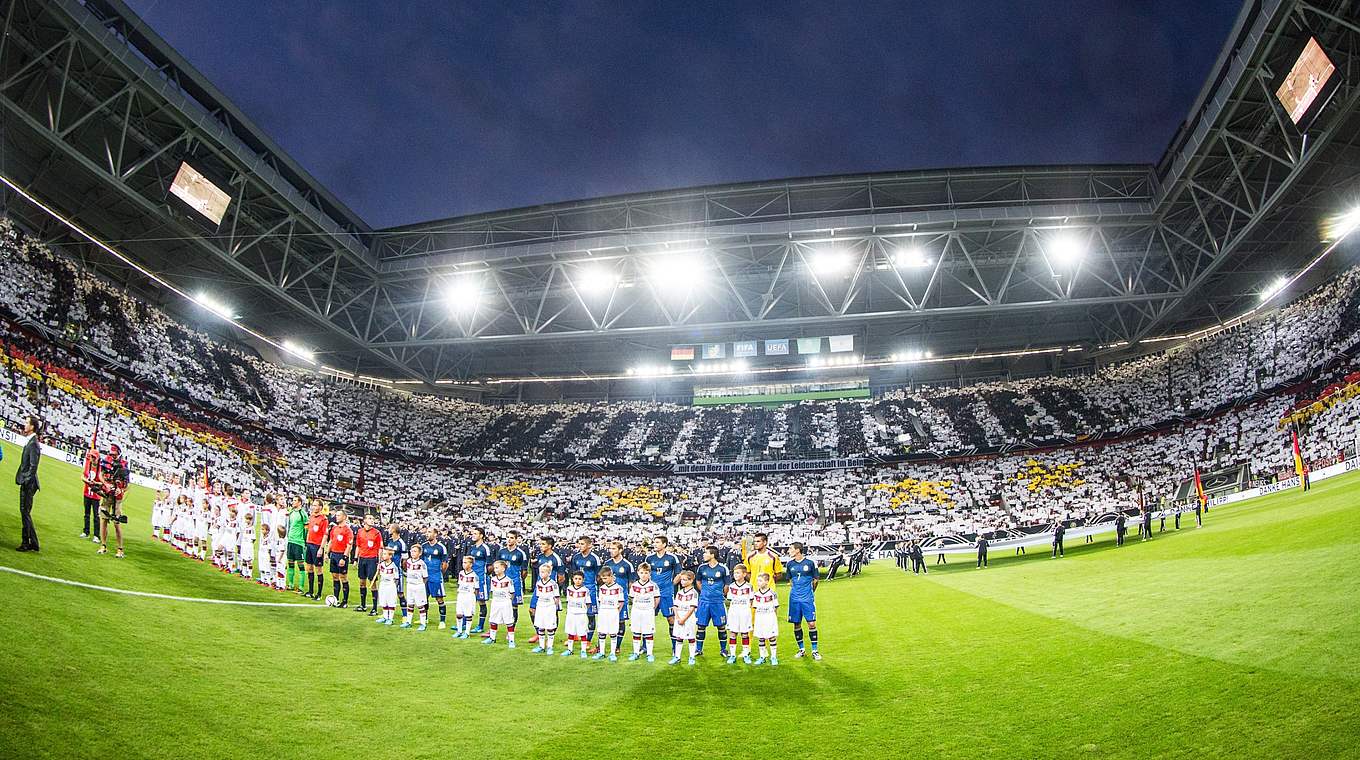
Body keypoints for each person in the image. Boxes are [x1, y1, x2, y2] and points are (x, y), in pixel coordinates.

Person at [645, 535, 683, 648]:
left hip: (666, 593)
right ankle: (644, 646)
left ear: (664, 544)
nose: (654, 544)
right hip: (652, 593)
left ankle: (675, 646)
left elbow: (679, 574)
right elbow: (644, 573)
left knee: (671, 619)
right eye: (654, 542)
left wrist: (671, 584)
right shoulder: (649, 558)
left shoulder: (672, 558)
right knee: (648, 618)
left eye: (657, 542)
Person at [786, 542, 822, 660]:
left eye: (791, 548)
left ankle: (815, 651)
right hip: (794, 599)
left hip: (807, 598)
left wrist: (810, 592)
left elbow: (816, 580)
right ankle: (801, 649)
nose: (788, 550)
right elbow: (790, 581)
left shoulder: (810, 563)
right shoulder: (789, 564)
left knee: (811, 623)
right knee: (796, 624)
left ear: (798, 550)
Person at [694, 545, 730, 657]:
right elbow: (698, 582)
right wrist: (705, 592)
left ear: (712, 555)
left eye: (706, 553)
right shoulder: (701, 568)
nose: (703, 555)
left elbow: (727, 585)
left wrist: (719, 594)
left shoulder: (723, 569)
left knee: (721, 626)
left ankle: (723, 650)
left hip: (718, 602)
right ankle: (698, 649)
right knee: (701, 626)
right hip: (704, 601)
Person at [95, 442, 129, 558]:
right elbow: (101, 475)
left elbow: (127, 484)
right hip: (106, 494)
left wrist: (121, 490)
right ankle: (103, 545)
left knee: (116, 523)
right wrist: (106, 484)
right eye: (111, 454)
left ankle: (120, 549)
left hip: (117, 498)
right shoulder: (106, 461)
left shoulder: (124, 464)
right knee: (103, 520)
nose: (112, 456)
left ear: (119, 453)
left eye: (114, 454)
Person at [567, 536, 602, 649]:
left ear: (589, 545)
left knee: (590, 614)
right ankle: (574, 635)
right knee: (574, 613)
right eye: (579, 543)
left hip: (590, 589)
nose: (580, 546)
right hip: (576, 590)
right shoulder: (576, 557)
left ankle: (588, 639)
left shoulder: (594, 559)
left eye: (582, 544)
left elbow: (599, 576)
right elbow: (574, 572)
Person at [14, 416, 42, 552]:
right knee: (25, 512)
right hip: (27, 481)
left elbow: (33, 466)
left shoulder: (33, 444)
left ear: (32, 426)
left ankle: (26, 542)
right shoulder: (31, 441)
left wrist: (25, 480)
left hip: (29, 483)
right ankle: (33, 543)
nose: (24, 425)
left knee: (25, 512)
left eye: (27, 423)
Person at [628, 562, 660, 662]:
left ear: (650, 573)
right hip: (636, 611)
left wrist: (652, 608)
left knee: (648, 632)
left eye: (646, 573)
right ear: (638, 573)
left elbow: (657, 597)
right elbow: (632, 598)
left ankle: (650, 654)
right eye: (641, 572)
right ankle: (636, 653)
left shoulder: (653, 585)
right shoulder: (634, 585)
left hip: (648, 611)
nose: (644, 575)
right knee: (636, 632)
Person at [482, 560, 517, 648]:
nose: (495, 570)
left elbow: (512, 593)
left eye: (497, 568)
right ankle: (492, 638)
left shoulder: (508, 580)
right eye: (494, 568)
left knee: (509, 621)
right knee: (493, 619)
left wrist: (508, 601)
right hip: (495, 602)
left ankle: (511, 640)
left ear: (503, 568)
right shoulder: (493, 579)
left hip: (505, 603)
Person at [725, 564, 755, 664]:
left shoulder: (749, 586)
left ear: (744, 574)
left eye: (738, 573)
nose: (735, 575)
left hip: (745, 613)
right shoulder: (732, 586)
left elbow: (751, 600)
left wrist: (746, 609)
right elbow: (729, 600)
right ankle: (732, 655)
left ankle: (746, 654)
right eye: (734, 573)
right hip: (734, 612)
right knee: (733, 633)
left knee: (745, 633)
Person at [353, 514, 383, 614]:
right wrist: (355, 559)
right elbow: (358, 546)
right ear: (364, 520)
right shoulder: (360, 532)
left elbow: (380, 548)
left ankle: (374, 608)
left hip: (372, 560)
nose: (372, 520)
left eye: (372, 518)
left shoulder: (377, 533)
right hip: (362, 559)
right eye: (370, 518)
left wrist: (379, 562)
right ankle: (363, 605)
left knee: (372, 582)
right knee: (362, 582)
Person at [420, 529, 450, 629]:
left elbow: (445, 563)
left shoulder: (441, 547)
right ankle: (425, 618)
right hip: (425, 576)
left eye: (429, 532)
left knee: (439, 598)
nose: (427, 534)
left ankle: (442, 621)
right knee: (424, 598)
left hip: (436, 576)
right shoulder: (423, 546)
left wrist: (439, 573)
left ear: (435, 534)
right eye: (426, 532)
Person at [466, 527, 494, 634]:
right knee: (469, 599)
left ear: (481, 535)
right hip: (471, 579)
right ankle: (464, 623)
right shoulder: (472, 548)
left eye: (475, 533)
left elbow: (490, 565)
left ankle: (480, 626)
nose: (473, 535)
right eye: (472, 533)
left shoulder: (485, 548)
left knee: (481, 601)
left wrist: (484, 575)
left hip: (481, 579)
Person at [594, 566, 625, 661]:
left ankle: (612, 653)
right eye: (602, 578)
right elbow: (600, 600)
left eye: (605, 578)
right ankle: (601, 652)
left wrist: (616, 612)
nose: (604, 580)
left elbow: (621, 602)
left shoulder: (618, 588)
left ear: (611, 576)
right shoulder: (602, 588)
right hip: (603, 611)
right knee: (602, 632)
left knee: (613, 632)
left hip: (613, 612)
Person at [324, 510, 354, 607]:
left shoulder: (348, 530)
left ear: (344, 517)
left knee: (343, 578)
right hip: (334, 555)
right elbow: (331, 541)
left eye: (339, 515)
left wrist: (344, 558)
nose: (336, 517)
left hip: (342, 555)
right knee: (335, 577)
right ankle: (335, 599)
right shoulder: (334, 528)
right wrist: (326, 553)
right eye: (336, 515)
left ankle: (344, 601)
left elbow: (349, 546)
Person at [670, 570, 699, 665]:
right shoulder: (679, 593)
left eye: (684, 580)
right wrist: (677, 617)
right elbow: (675, 606)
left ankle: (692, 657)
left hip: (689, 618)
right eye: (681, 580)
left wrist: (684, 619)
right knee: (679, 637)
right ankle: (677, 657)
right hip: (679, 618)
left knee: (691, 637)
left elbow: (692, 608)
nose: (682, 582)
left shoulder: (694, 593)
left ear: (691, 581)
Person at [531, 563, 561, 655]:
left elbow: (556, 597)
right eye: (541, 572)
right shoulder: (539, 583)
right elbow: (537, 595)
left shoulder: (553, 584)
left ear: (549, 573)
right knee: (541, 626)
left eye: (544, 572)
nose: (541, 574)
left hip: (549, 607)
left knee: (550, 627)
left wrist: (555, 608)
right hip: (540, 606)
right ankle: (541, 646)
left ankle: (550, 647)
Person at [752, 572, 780, 666]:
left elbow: (776, 607)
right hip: (760, 619)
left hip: (769, 618)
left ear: (767, 581)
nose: (758, 583)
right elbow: (755, 607)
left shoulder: (772, 594)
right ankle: (762, 656)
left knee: (771, 637)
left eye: (760, 581)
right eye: (757, 581)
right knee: (761, 638)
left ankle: (773, 656)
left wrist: (774, 619)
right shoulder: (756, 594)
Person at [561, 571, 591, 658]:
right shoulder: (569, 588)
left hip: (581, 614)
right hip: (571, 614)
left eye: (580, 579)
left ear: (583, 580)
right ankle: (570, 650)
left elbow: (588, 603)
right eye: (576, 579)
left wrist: (583, 610)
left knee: (582, 633)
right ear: (573, 579)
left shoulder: (585, 590)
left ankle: (583, 650)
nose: (578, 581)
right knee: (571, 632)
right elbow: (568, 601)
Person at [303, 502, 329, 599]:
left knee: (318, 569)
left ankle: (319, 594)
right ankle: (310, 591)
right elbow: (309, 530)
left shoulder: (324, 519)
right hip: (309, 544)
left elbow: (325, 535)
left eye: (315, 505)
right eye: (313, 505)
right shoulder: (311, 517)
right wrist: (306, 542)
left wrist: (321, 548)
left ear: (320, 507)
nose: (313, 507)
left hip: (317, 546)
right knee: (309, 568)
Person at [401, 545, 429, 631]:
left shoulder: (422, 563)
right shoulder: (408, 561)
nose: (412, 553)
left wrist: (420, 584)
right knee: (410, 604)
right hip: (410, 585)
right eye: (411, 551)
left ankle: (423, 624)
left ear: (420, 553)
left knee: (420, 605)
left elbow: (425, 577)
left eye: (415, 551)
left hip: (418, 586)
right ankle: (408, 622)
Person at [285, 497, 308, 594]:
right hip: (290, 541)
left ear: (299, 503)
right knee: (290, 563)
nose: (293, 502)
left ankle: (301, 587)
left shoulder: (303, 514)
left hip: (299, 542)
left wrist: (304, 541)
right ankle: (290, 584)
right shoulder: (291, 512)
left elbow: (306, 528)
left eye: (295, 500)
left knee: (301, 566)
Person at [453, 556, 478, 639]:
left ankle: (467, 633)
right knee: (459, 614)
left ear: (471, 564)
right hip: (461, 595)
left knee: (468, 615)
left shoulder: (474, 576)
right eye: (463, 562)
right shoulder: (461, 573)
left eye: (465, 562)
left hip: (469, 596)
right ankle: (459, 631)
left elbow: (477, 588)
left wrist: (474, 598)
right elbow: (459, 584)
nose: (463, 564)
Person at [374, 547, 400, 625]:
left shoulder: (393, 566)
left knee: (390, 601)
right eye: (383, 553)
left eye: (385, 554)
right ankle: (385, 617)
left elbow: (396, 578)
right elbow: (379, 574)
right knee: (383, 600)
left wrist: (393, 586)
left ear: (390, 556)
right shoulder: (381, 564)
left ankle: (390, 618)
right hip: (383, 584)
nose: (383, 555)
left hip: (390, 585)